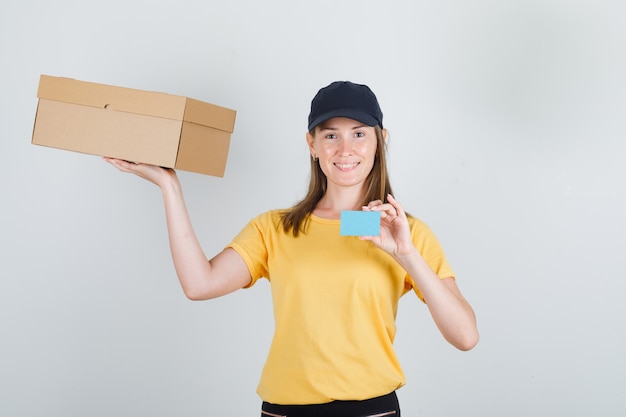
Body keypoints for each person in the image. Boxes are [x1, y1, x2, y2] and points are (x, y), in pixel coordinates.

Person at [105, 80, 479, 417]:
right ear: (312, 144)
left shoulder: (405, 233)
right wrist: (169, 186)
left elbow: (465, 336)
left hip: (370, 411)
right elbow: (199, 285)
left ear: (380, 141)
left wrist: (406, 254)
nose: (345, 149)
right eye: (331, 135)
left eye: (359, 134)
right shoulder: (278, 228)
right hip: (285, 411)